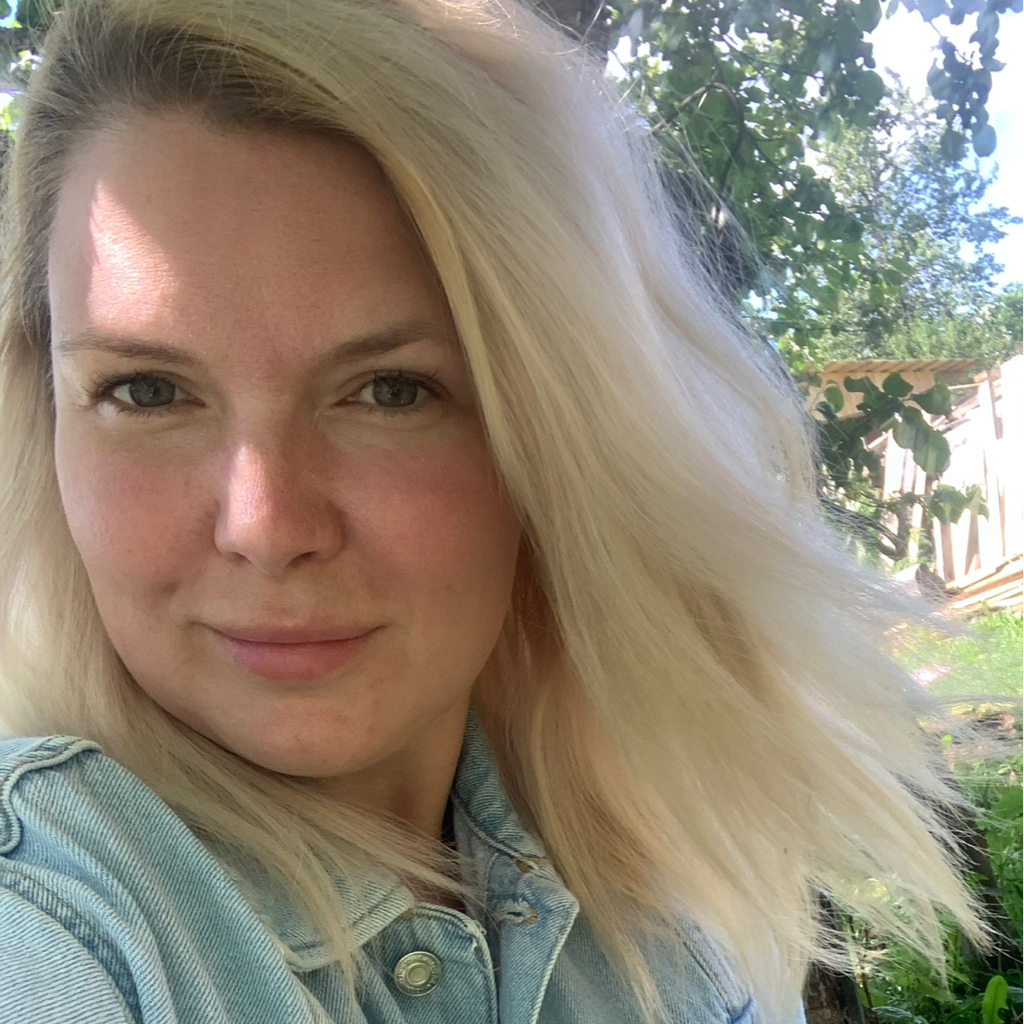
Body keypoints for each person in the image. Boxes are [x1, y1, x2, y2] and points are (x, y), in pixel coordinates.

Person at [0, 0, 1003, 1021]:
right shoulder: (48, 919)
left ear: (559, 436)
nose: (264, 524)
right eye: (146, 391)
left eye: (391, 390)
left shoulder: (666, 906)